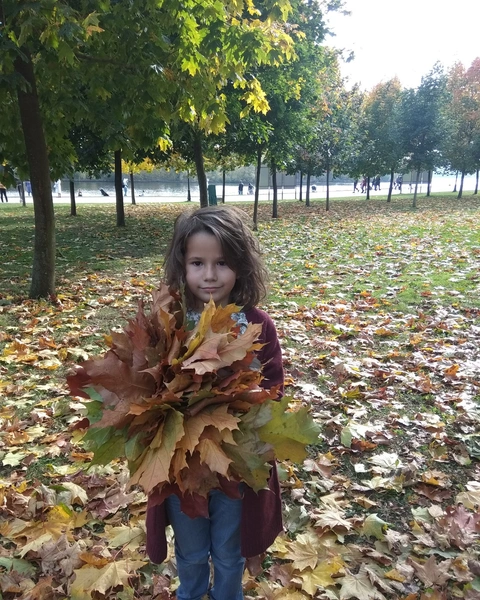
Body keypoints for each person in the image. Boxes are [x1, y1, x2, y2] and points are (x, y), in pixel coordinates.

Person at [146, 206, 284, 600]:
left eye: (222, 262)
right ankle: (189, 593)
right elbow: (148, 383)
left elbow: (273, 387)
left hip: (234, 466)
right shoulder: (170, 321)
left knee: (228, 549)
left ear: (240, 265)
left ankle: (227, 594)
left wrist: (245, 409)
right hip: (181, 465)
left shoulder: (256, 324)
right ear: (182, 265)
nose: (209, 274)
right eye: (197, 262)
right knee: (190, 551)